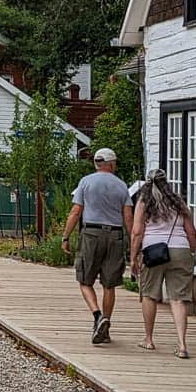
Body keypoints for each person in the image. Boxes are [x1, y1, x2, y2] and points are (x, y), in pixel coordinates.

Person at [61, 147, 133, 345]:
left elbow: (76, 211)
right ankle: (106, 323)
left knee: (85, 279)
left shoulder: (86, 182)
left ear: (97, 164)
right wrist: (133, 242)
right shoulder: (121, 185)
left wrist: (65, 236)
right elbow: (128, 216)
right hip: (115, 235)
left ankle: (97, 316)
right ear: (111, 164)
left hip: (91, 233)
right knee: (109, 284)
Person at [130, 169, 196, 359]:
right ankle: (182, 344)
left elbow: (136, 232)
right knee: (178, 298)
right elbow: (191, 231)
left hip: (154, 252)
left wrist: (133, 257)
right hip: (181, 250)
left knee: (150, 295)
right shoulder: (178, 202)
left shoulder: (144, 202)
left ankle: (149, 339)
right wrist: (191, 251)